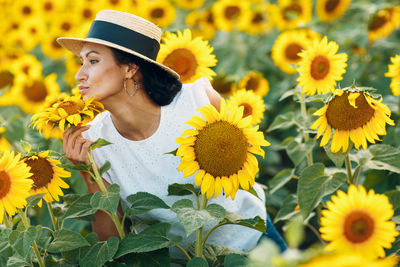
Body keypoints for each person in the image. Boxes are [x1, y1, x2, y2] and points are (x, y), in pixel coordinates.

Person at [60, 10, 286, 259]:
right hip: (182, 262)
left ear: (130, 68)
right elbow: (111, 242)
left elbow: (244, 162)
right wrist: (88, 172)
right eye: (81, 62)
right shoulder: (94, 141)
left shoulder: (198, 102)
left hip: (254, 244)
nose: (79, 75)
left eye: (92, 61)